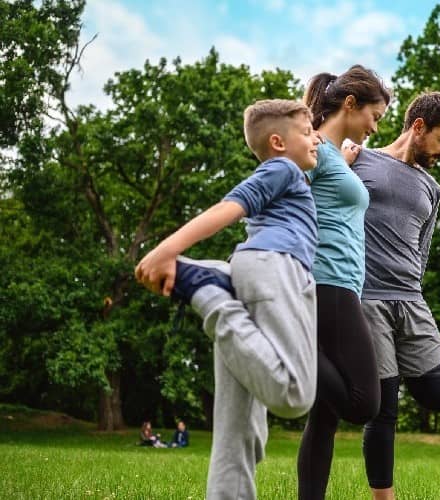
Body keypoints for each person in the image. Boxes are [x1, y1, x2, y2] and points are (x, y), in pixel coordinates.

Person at [134, 99, 320, 500]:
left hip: (254, 272)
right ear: (277, 142)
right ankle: (207, 287)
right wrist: (169, 250)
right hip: (278, 268)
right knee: (293, 394)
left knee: (239, 428)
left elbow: (319, 146)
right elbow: (229, 207)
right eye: (306, 133)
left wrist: (327, 141)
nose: (315, 139)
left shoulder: (290, 172)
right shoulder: (283, 168)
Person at [346, 91, 440, 500]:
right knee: (384, 408)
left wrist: (415, 289)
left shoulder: (431, 187)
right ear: (418, 127)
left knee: (439, 394)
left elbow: (423, 249)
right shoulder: (360, 159)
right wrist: (340, 156)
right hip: (368, 297)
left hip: (411, 299)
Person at [296, 65, 391, 500]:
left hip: (345, 284)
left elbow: (333, 188)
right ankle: (288, 346)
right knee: (362, 401)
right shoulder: (311, 149)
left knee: (325, 417)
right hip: (325, 281)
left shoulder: (332, 155)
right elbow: (278, 194)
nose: (375, 126)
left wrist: (346, 161)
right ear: (350, 104)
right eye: (374, 115)